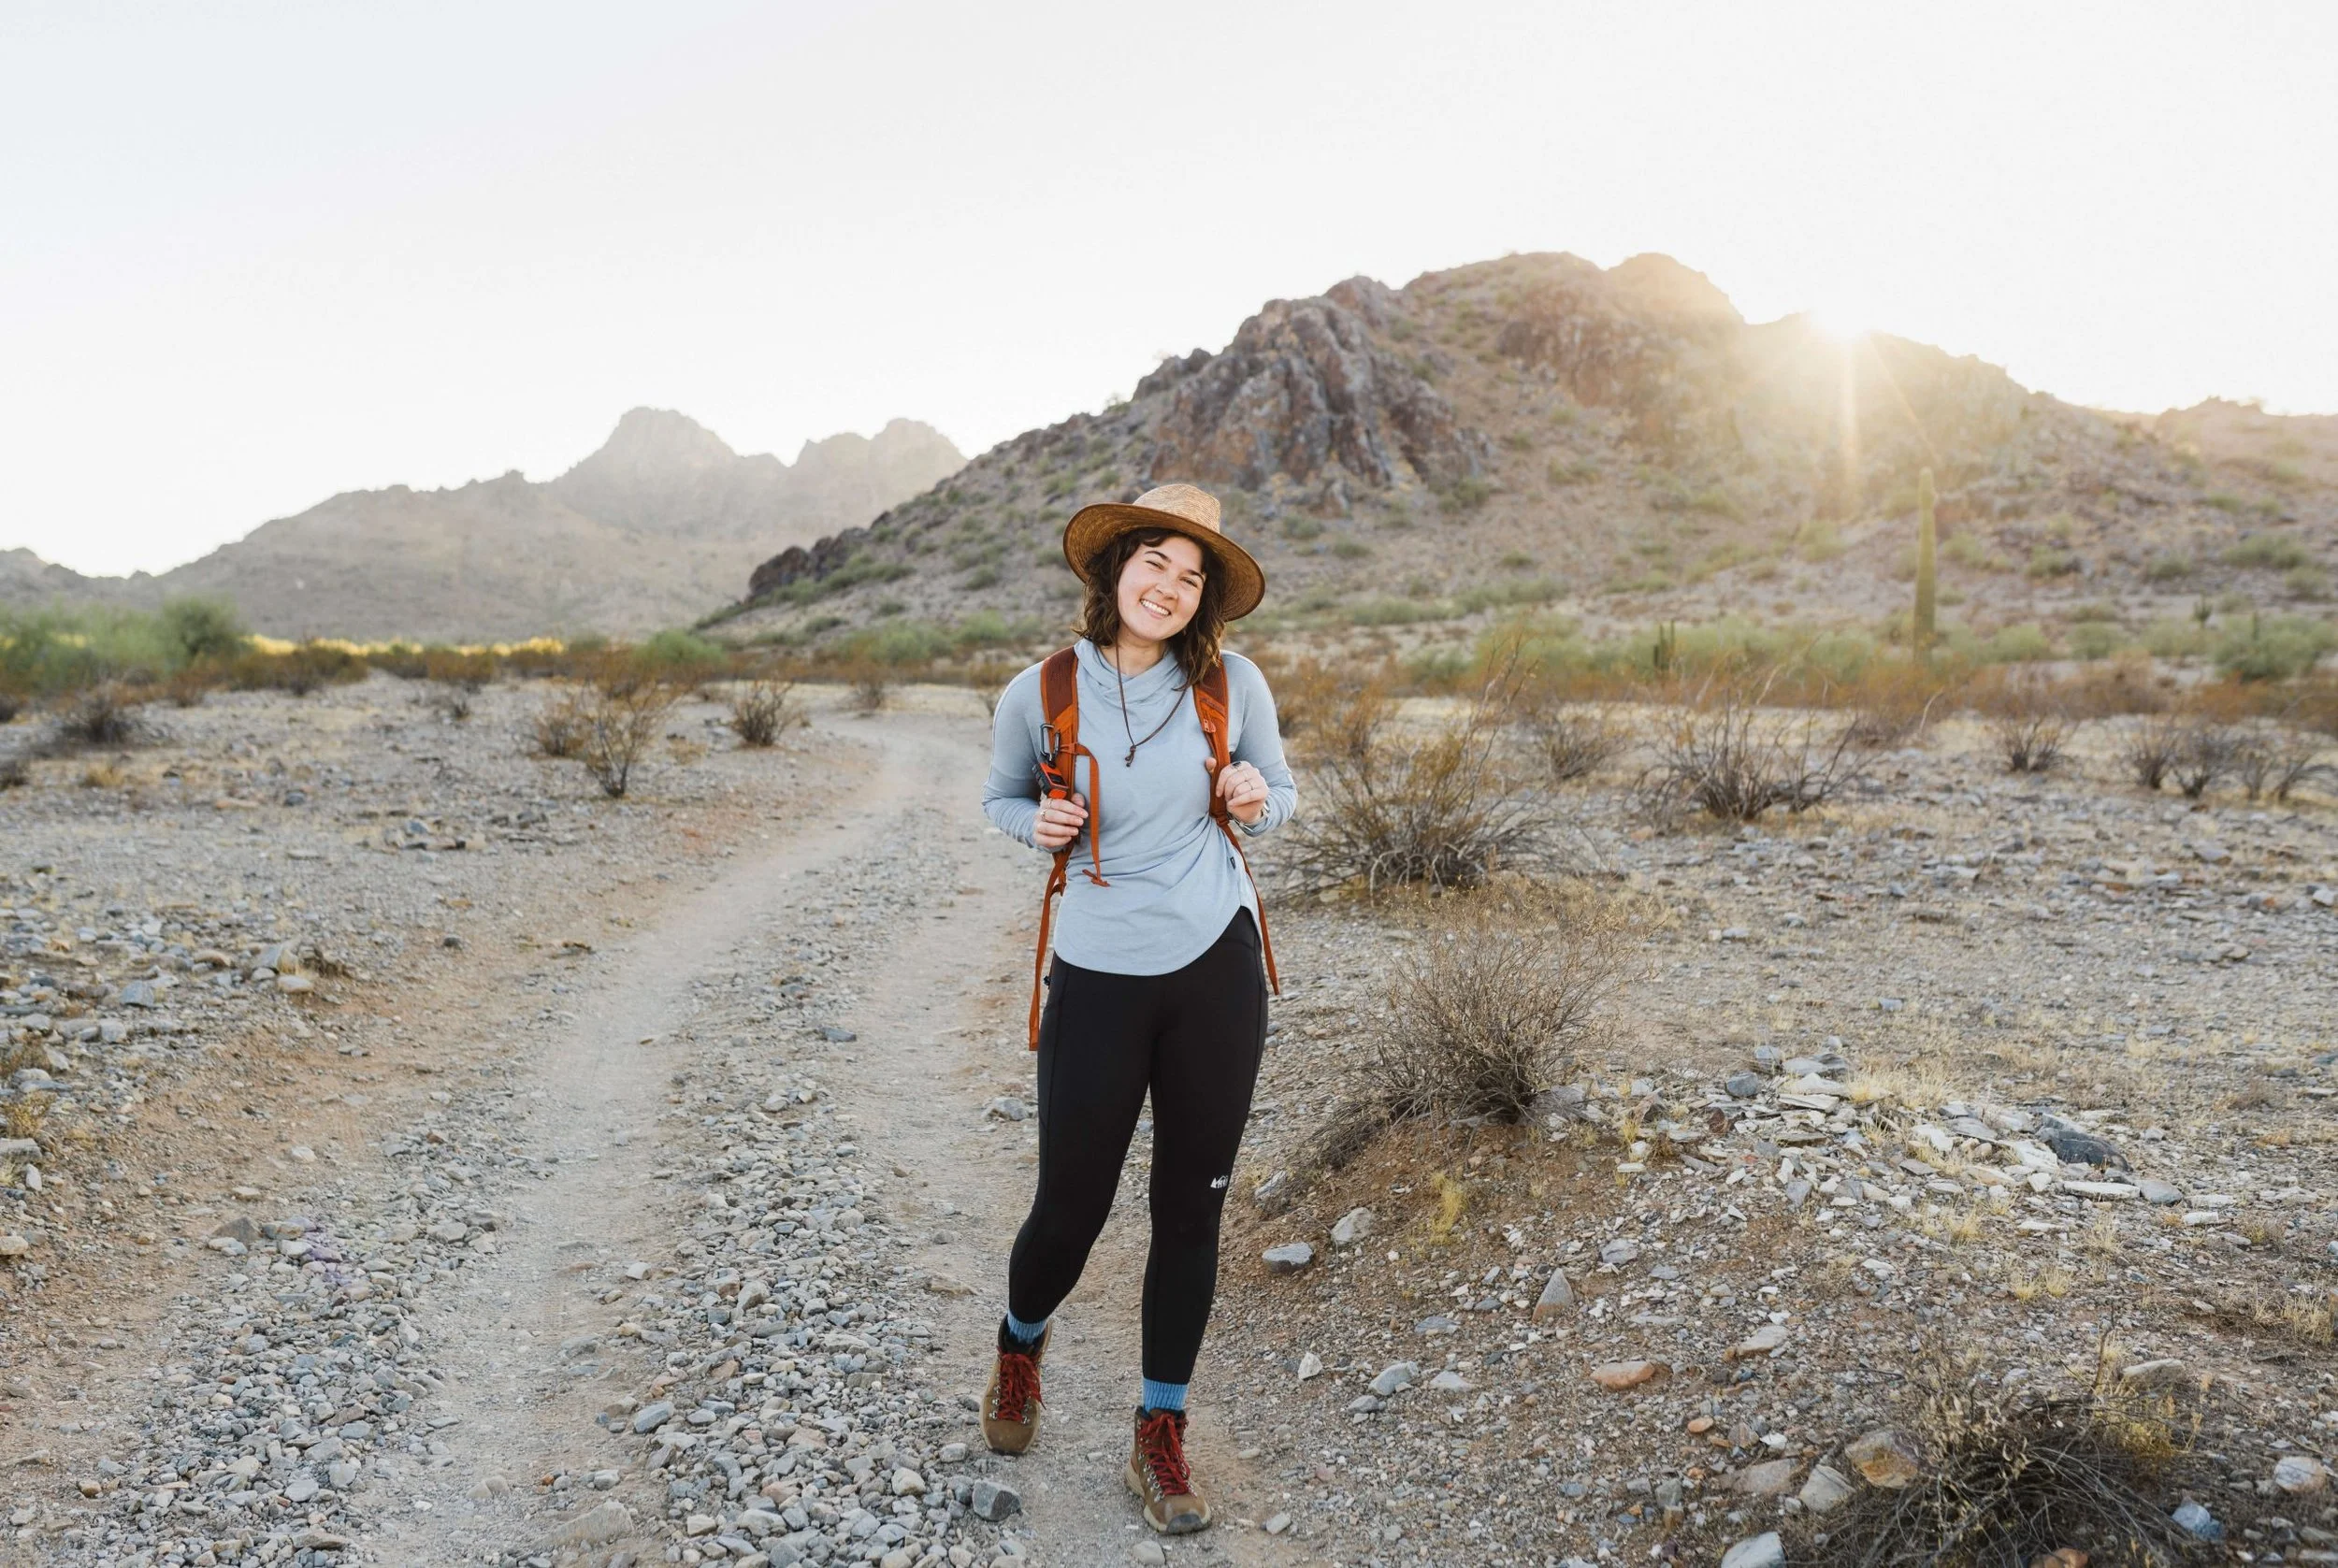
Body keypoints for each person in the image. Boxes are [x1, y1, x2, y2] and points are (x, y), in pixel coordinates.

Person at [978, 482, 1295, 1535]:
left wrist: (1256, 797)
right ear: (1113, 571)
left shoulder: (1230, 681)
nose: (1168, 585)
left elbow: (1283, 795)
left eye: (1191, 573)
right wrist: (1040, 821)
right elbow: (1000, 798)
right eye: (1153, 561)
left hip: (1214, 961)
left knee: (1189, 1208)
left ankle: (1159, 1430)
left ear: (1203, 598)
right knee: (1069, 1201)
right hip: (1098, 965)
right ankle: (1021, 1347)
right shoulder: (1041, 690)